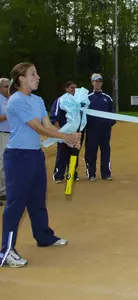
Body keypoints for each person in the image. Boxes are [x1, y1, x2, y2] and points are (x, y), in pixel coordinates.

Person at [0, 62, 80, 268]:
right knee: (16, 204)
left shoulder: (37, 99)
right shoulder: (16, 101)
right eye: (33, 74)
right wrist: (66, 137)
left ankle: (43, 237)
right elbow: (37, 127)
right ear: (21, 79)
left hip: (35, 155)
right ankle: (6, 251)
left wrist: (67, 137)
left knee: (37, 201)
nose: (38, 77)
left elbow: (46, 124)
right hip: (18, 157)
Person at [50, 81, 82, 183]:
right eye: (72, 88)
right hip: (64, 132)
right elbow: (55, 117)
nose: (74, 90)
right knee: (62, 155)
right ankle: (58, 175)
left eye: (75, 88)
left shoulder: (78, 101)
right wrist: (59, 132)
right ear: (66, 88)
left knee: (74, 154)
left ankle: (72, 174)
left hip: (75, 133)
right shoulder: (60, 100)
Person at [85, 73, 115, 181]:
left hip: (105, 131)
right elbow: (83, 114)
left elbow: (113, 113)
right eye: (96, 81)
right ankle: (91, 173)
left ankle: (106, 173)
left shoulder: (107, 98)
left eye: (99, 81)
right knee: (91, 152)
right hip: (92, 130)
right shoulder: (87, 98)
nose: (98, 83)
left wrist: (109, 123)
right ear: (92, 83)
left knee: (106, 151)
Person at [0, 78, 10, 205]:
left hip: (11, 134)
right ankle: (1, 191)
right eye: (5, 86)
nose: (8, 89)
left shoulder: (9, 99)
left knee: (7, 162)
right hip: (2, 134)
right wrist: (9, 113)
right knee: (1, 162)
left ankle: (4, 190)